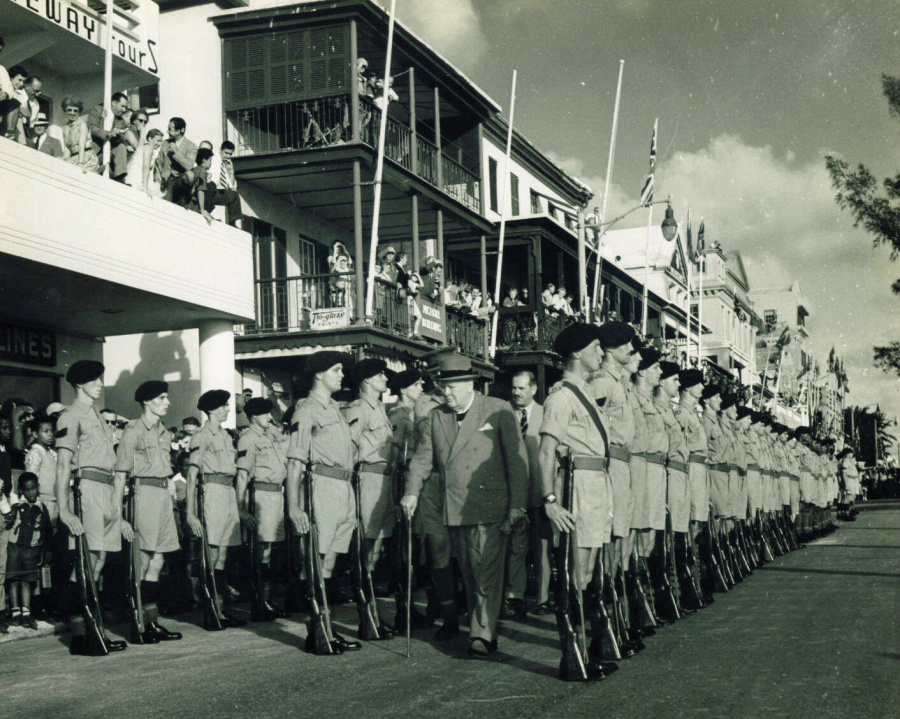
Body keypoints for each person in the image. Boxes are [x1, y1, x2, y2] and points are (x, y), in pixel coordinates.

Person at [402, 353, 528, 658]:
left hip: (489, 504)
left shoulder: (498, 410)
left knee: (485, 569)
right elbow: (421, 460)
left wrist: (517, 506)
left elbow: (517, 461)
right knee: (470, 573)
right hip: (453, 506)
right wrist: (411, 493)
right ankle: (481, 625)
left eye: (451, 387)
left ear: (470, 384)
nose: (446, 393)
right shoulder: (436, 417)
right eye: (442, 388)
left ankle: (482, 634)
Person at [537, 322, 613, 680]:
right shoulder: (562, 397)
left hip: (596, 485)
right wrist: (550, 500)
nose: (601, 353)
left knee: (586, 574)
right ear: (578, 352)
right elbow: (546, 451)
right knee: (575, 574)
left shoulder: (585, 393)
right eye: (596, 347)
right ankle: (573, 654)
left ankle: (584, 652)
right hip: (576, 488)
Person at [285, 351, 362, 654]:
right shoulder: (306, 411)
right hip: (322, 488)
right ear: (319, 374)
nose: (341, 375)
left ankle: (326, 629)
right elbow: (294, 462)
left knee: (328, 562)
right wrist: (293, 507)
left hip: (343, 488)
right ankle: (315, 630)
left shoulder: (334, 409)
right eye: (336, 370)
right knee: (315, 562)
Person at [55, 359, 127, 655]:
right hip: (87, 490)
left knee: (97, 561)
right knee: (86, 562)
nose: (100, 384)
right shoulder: (69, 416)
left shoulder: (98, 416)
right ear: (80, 384)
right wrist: (63, 509)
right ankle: (80, 632)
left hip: (106, 489)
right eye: (95, 380)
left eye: (100, 379)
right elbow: (62, 465)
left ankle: (90, 630)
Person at [114, 381, 183, 643]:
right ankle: (137, 623)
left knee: (158, 561)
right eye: (162, 398)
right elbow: (120, 474)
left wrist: (172, 506)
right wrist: (119, 515)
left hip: (163, 495)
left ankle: (150, 621)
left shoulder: (165, 433)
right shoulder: (133, 430)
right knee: (142, 560)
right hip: (143, 495)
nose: (167, 402)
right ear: (147, 401)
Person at [591, 322, 643, 651]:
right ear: (611, 349)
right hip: (610, 465)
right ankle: (608, 629)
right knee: (609, 547)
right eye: (626, 344)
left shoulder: (618, 382)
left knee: (619, 544)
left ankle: (619, 624)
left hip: (623, 466)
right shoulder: (601, 382)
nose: (631, 349)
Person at [343, 359, 397, 639]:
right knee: (365, 551)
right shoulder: (359, 409)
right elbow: (349, 449)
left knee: (375, 552)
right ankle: (367, 618)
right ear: (366, 381)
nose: (386, 379)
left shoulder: (380, 410)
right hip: (368, 480)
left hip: (385, 482)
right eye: (380, 375)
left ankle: (374, 617)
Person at [185, 389, 246, 628]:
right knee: (211, 554)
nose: (228, 409)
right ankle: (210, 609)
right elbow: (191, 475)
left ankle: (220, 609)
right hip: (212, 491)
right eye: (223, 406)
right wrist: (190, 513)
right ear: (211, 409)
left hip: (228, 492)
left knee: (222, 556)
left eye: (228, 405)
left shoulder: (226, 436)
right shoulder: (202, 436)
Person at [236, 397, 286, 620]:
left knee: (268, 549)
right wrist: (241, 508)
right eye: (266, 413)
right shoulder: (248, 439)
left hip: (276, 495)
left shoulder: (271, 436)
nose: (270, 417)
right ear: (254, 416)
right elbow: (242, 475)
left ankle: (265, 600)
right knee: (260, 549)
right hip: (261, 495)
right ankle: (259, 603)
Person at [503, 370, 546, 620]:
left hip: (540, 492)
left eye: (521, 388)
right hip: (514, 494)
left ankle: (542, 599)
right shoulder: (504, 414)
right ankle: (514, 597)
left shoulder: (546, 413)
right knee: (516, 547)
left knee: (542, 548)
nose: (516, 393)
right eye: (514, 388)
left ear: (533, 389)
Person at [6, 472, 52, 630]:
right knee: (13, 579)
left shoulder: (41, 508)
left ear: (38, 488)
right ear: (21, 491)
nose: (31, 492)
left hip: (31, 549)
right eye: (27, 490)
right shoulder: (16, 507)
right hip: (14, 547)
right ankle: (15, 613)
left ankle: (26, 613)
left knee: (26, 580)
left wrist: (45, 550)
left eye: (34, 488)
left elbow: (46, 530)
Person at [88, 92, 137, 181]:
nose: (124, 109)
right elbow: (92, 128)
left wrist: (127, 145)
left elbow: (124, 133)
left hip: (110, 153)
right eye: (122, 106)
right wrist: (108, 133)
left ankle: (120, 178)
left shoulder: (119, 120)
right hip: (96, 153)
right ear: (113, 103)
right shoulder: (98, 110)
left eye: (125, 107)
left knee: (122, 147)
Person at [24, 415, 58, 524]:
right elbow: (31, 479)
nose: (50, 434)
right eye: (45, 431)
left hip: (55, 501)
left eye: (52, 431)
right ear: (35, 434)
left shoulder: (51, 453)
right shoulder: (35, 453)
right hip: (43, 501)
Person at [157, 116, 198, 200]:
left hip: (179, 184)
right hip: (164, 181)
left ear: (180, 130)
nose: (167, 131)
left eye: (170, 129)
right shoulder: (165, 143)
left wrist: (176, 152)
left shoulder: (191, 146)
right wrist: (158, 177)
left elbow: (189, 166)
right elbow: (159, 162)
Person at [206, 140, 243, 227]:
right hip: (209, 189)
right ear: (220, 150)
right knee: (210, 187)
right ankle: (205, 212)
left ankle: (232, 222)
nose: (228, 156)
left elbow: (232, 186)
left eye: (230, 154)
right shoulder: (214, 157)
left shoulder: (226, 165)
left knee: (234, 195)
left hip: (218, 192)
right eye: (226, 153)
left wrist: (231, 171)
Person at [60, 97, 99, 173]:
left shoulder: (82, 124)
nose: (72, 113)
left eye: (75, 111)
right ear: (65, 110)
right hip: (74, 157)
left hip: (85, 156)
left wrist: (80, 163)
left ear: (79, 112)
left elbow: (81, 146)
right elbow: (67, 150)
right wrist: (63, 158)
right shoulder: (65, 128)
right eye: (69, 110)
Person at [127, 127, 164, 198]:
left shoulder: (143, 147)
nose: (159, 144)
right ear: (150, 139)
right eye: (158, 141)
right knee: (161, 193)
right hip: (135, 179)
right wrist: (145, 188)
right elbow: (146, 166)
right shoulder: (148, 147)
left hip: (132, 178)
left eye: (161, 141)